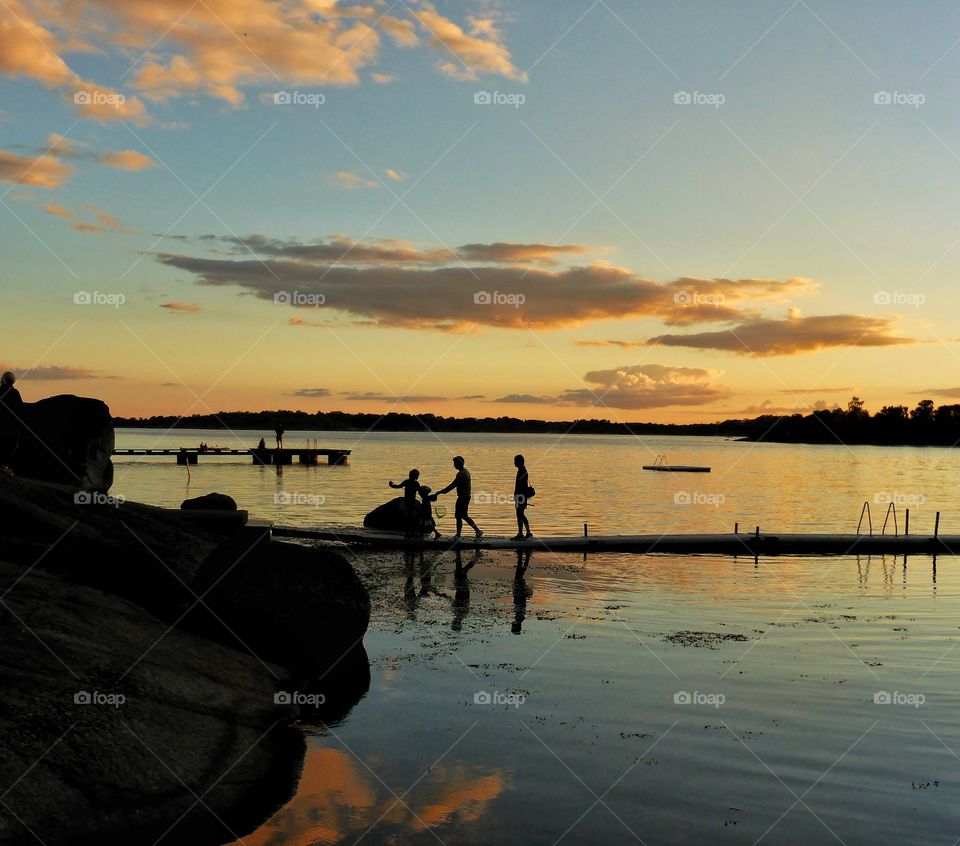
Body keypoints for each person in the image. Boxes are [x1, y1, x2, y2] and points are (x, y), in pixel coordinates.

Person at [438, 455, 482, 539]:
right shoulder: (465, 472)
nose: (454, 465)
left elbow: (452, 486)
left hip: (463, 497)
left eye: (455, 463)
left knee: (461, 516)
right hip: (465, 497)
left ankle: (476, 531)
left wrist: (440, 492)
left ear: (459, 464)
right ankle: (464, 533)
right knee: (460, 516)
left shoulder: (461, 474)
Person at [0, 371, 24, 472]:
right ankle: (5, 465)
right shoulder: (15, 393)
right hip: (11, 427)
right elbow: (20, 408)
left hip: (3, 425)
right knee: (10, 447)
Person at [389, 469, 421, 537]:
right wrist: (426, 497)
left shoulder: (407, 482)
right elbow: (421, 493)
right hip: (411, 502)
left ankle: (408, 532)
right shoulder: (416, 483)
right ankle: (411, 532)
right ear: (416, 476)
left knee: (408, 517)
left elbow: (398, 486)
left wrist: (391, 485)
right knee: (411, 517)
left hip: (407, 501)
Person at [512, 453, 533, 540]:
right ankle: (522, 533)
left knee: (520, 514)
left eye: (515, 461)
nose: (514, 463)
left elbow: (521, 484)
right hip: (519, 496)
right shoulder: (521, 470)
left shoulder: (523, 471)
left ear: (519, 462)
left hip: (521, 496)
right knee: (519, 514)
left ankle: (527, 533)